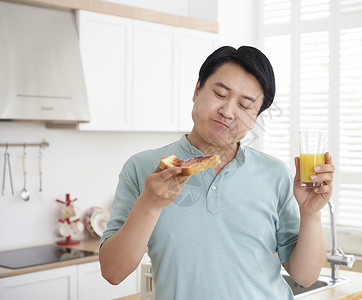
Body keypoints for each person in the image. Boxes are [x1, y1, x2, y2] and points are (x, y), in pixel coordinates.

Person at [99, 46, 335, 299]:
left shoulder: (275, 174)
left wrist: (311, 214)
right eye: (220, 94)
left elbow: (306, 276)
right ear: (197, 90)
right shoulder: (144, 168)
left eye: (245, 106)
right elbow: (113, 272)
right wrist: (149, 204)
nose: (228, 112)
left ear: (255, 118)